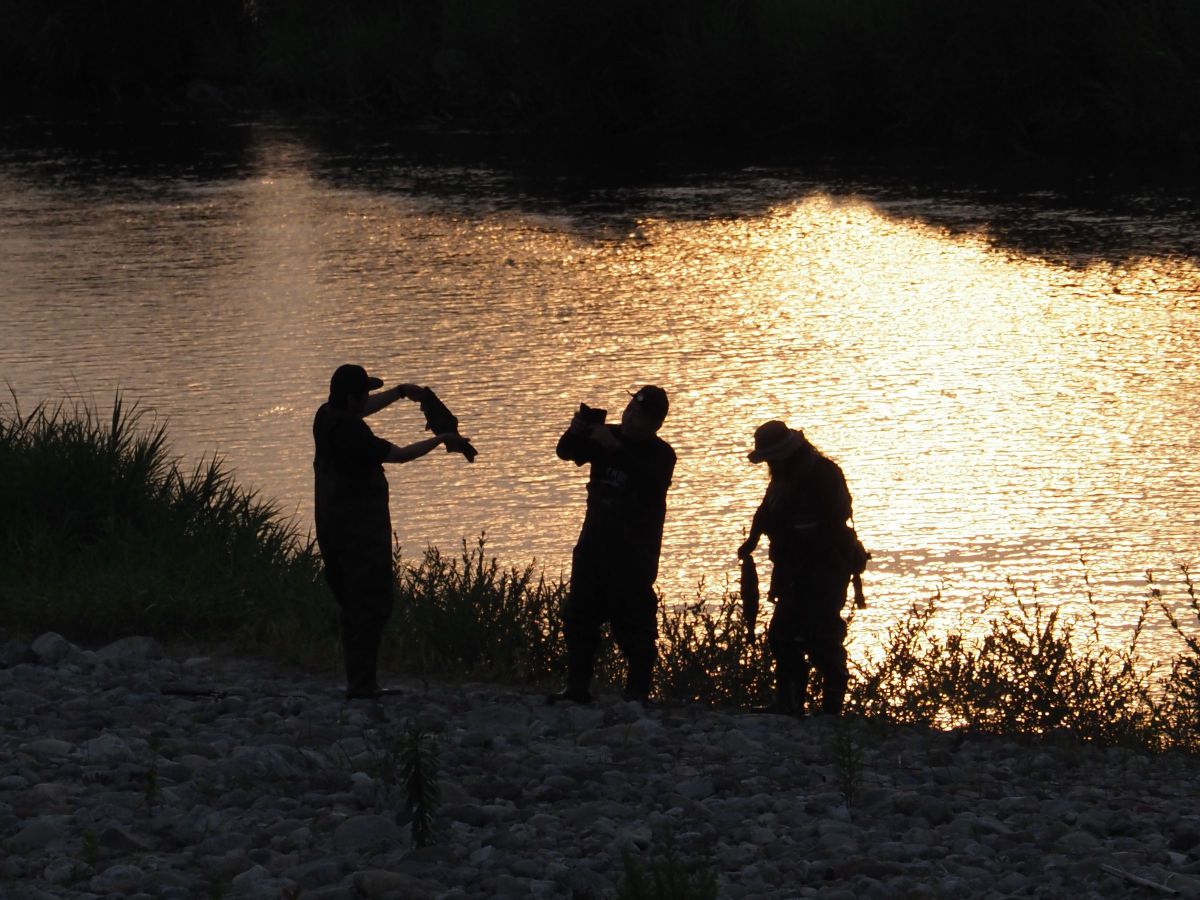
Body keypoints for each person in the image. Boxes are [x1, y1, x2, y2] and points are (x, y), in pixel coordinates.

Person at [313, 364, 470, 700]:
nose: (369, 401)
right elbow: (400, 456)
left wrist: (401, 393)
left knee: (351, 604)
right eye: (364, 395)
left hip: (332, 528)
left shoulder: (325, 415)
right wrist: (442, 438)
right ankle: (363, 685)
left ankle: (360, 681)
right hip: (359, 533)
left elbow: (364, 408)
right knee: (371, 605)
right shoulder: (354, 436)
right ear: (352, 400)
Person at [550, 386, 677, 704]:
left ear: (655, 424)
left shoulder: (662, 454)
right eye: (631, 410)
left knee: (634, 624)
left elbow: (649, 483)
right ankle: (577, 687)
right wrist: (576, 432)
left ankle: (637, 692)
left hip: (634, 553)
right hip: (594, 543)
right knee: (580, 616)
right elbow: (566, 452)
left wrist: (615, 449)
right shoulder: (607, 434)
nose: (632, 418)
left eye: (641, 416)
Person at [737, 420, 857, 717]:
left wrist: (804, 530)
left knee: (822, 635)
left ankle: (831, 709)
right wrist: (751, 542)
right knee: (781, 636)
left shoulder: (824, 473)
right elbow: (765, 511)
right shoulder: (782, 477)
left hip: (826, 568)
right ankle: (788, 703)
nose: (769, 464)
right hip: (791, 569)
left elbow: (838, 515)